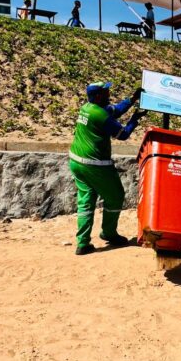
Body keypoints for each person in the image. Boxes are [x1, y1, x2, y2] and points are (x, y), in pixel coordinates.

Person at [69, 82, 146, 256]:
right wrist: (134, 120)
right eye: (106, 91)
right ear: (98, 96)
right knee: (116, 195)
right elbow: (123, 134)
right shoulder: (100, 115)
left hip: (76, 161)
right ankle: (109, 233)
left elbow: (115, 110)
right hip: (95, 165)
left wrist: (132, 99)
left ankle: (83, 243)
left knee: (86, 200)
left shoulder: (88, 108)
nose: (109, 93)